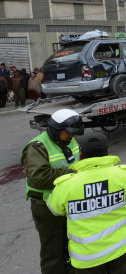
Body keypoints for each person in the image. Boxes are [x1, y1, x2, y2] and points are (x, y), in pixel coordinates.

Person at [47, 137, 126, 273]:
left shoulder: (66, 185)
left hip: (86, 258)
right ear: (107, 153)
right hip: (119, 248)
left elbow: (55, 210)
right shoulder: (122, 175)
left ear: (81, 156)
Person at [21, 108, 84, 274]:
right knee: (53, 250)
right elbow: (37, 177)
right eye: (68, 133)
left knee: (70, 243)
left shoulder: (69, 140)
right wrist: (71, 174)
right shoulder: (37, 147)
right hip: (46, 205)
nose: (72, 136)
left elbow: (77, 160)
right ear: (57, 130)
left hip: (67, 201)